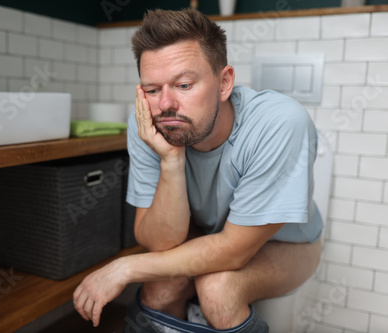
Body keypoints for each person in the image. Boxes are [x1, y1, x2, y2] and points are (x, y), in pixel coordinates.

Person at [73, 8, 322, 333]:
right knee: (160, 289)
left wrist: (124, 268)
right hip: (203, 235)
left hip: (287, 245)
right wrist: (171, 160)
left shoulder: (279, 124)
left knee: (218, 288)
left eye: (184, 85)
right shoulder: (148, 122)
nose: (165, 105)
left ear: (224, 82)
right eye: (151, 90)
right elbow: (157, 241)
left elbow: (233, 251)